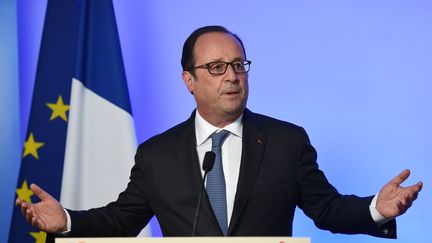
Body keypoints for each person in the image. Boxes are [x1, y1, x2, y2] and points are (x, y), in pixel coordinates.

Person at [17, 26, 422, 240]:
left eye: (239, 65)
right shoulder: (157, 155)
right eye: (216, 68)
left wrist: (375, 209)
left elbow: (327, 209)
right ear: (188, 80)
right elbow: (122, 220)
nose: (231, 76)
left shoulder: (287, 142)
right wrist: (67, 221)